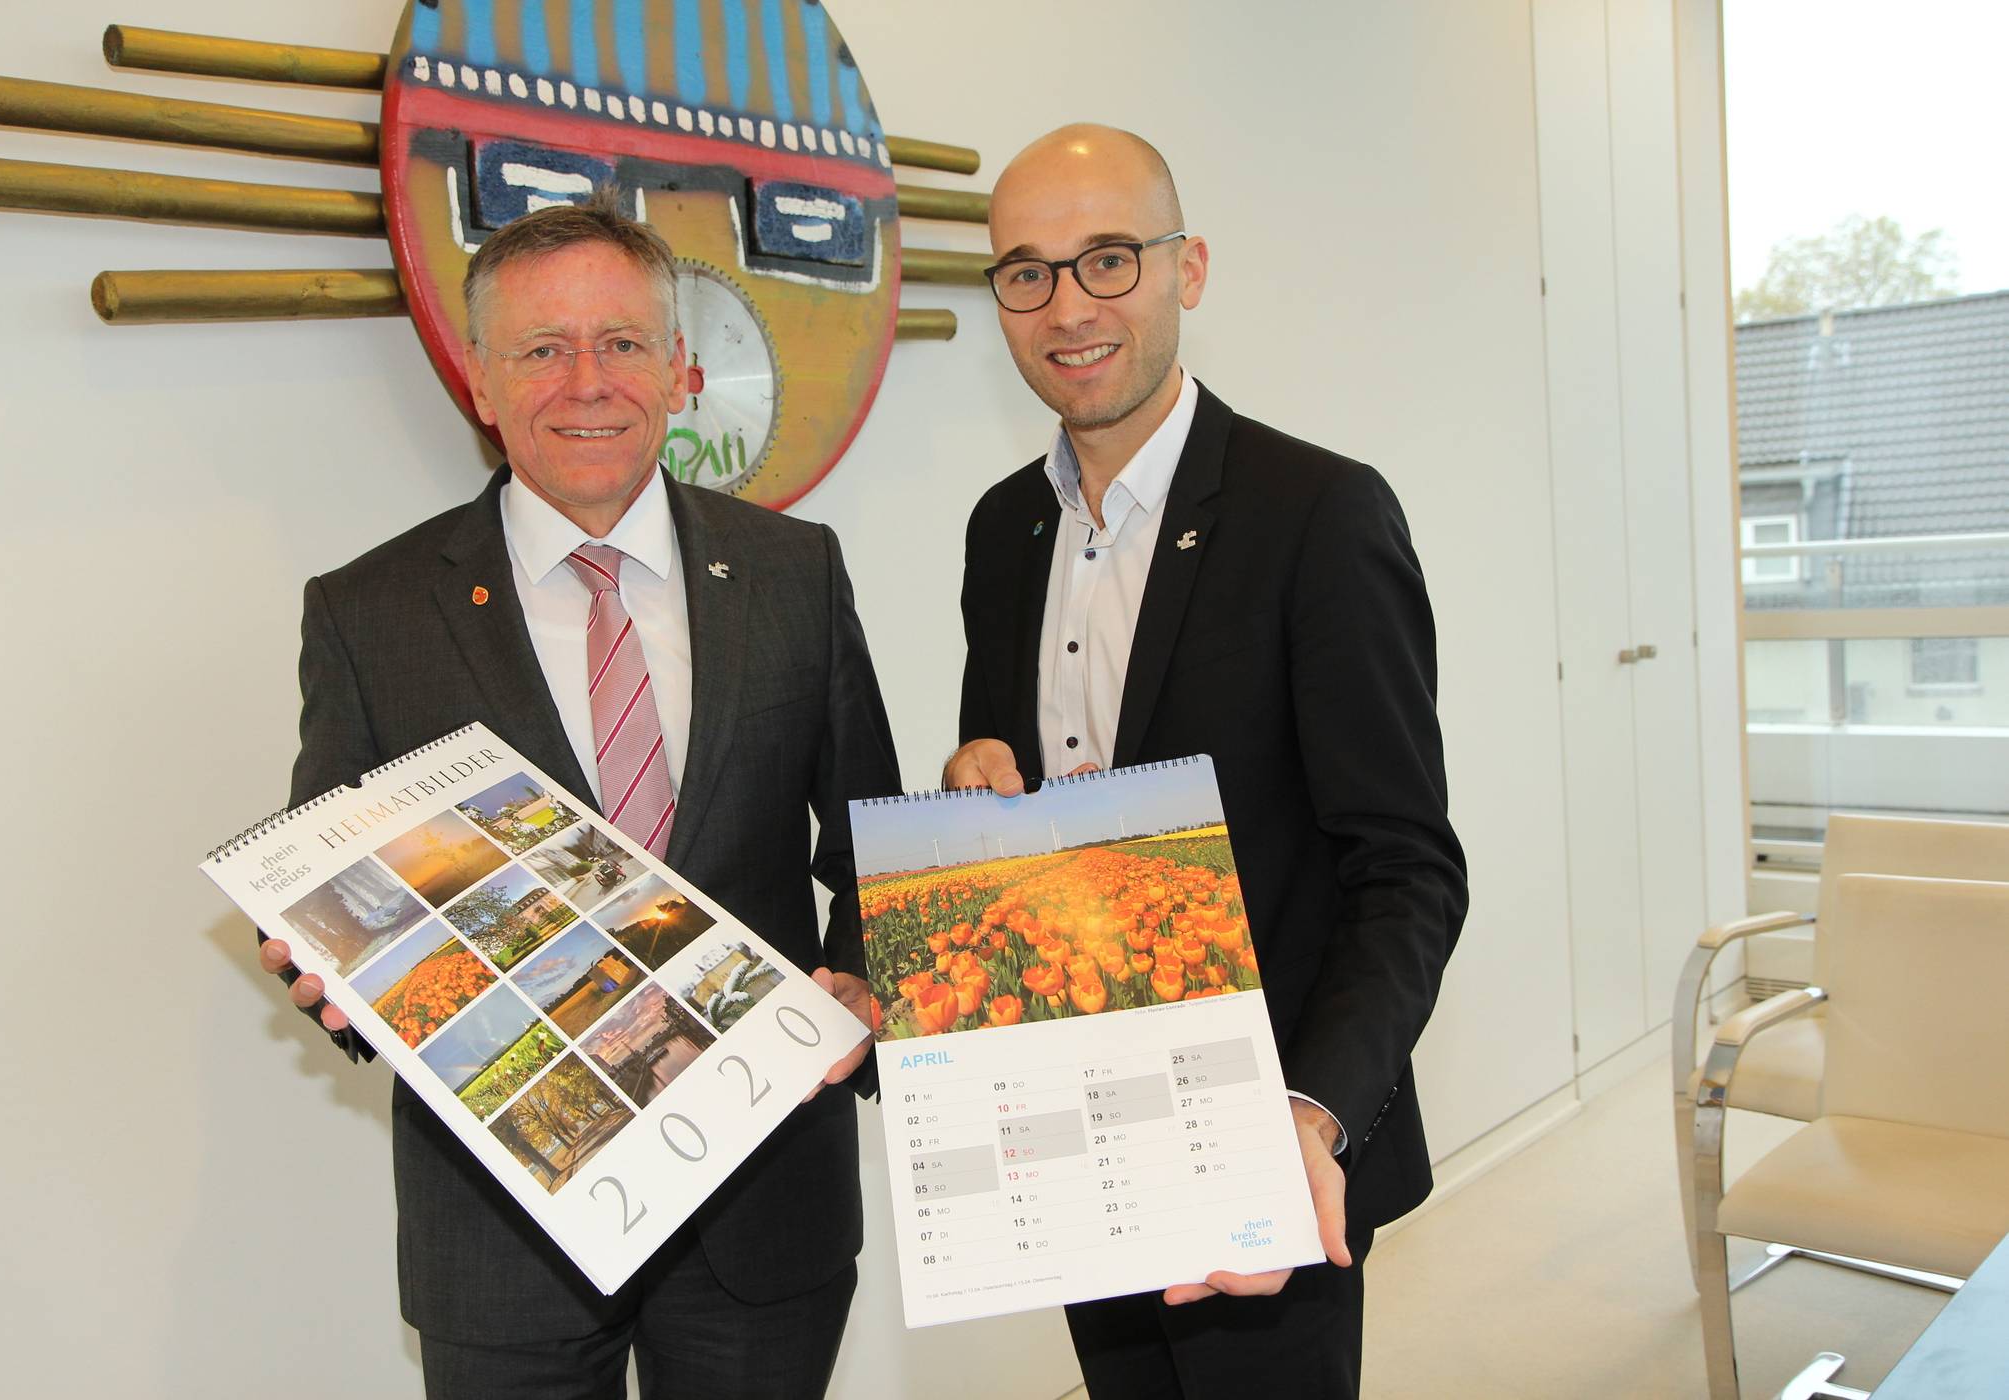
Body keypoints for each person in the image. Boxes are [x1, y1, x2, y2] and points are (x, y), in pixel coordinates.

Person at [256, 193, 900, 1400]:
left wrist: (867, 980)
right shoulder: (371, 611)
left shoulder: (793, 572)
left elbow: (871, 836)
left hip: (764, 1199)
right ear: (482, 384)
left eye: (621, 342)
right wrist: (326, 968)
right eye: (542, 349)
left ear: (680, 368)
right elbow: (325, 874)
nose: (587, 381)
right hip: (504, 1233)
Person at [945, 124, 1469, 1397]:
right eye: (1027, 271)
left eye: (1108, 259)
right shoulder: (1003, 528)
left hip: (1270, 1140)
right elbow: (1006, 785)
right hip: (1077, 1130)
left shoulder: (1321, 514)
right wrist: (971, 789)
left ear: (1190, 269)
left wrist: (1313, 1112)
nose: (1068, 306)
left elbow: (1406, 869)